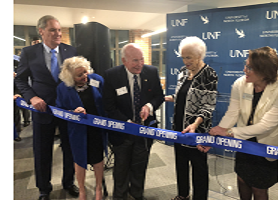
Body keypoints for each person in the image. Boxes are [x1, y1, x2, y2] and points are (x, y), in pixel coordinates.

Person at [14, 15, 79, 200]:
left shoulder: (70, 51)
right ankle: (44, 188)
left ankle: (68, 182)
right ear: (41, 31)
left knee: (69, 148)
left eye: (59, 30)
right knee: (42, 150)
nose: (58, 34)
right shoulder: (29, 52)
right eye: (52, 30)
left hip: (67, 110)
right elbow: (19, 78)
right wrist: (31, 97)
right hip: (42, 109)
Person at [206, 46, 278, 200]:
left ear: (264, 71)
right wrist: (216, 135)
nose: (245, 70)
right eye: (245, 65)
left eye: (250, 67)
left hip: (265, 146)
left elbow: (266, 126)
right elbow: (233, 112)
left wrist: (229, 133)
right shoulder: (240, 83)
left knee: (259, 188)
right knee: (242, 179)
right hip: (243, 143)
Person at [103, 43, 164, 200]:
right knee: (121, 167)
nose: (140, 64)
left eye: (142, 59)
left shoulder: (151, 72)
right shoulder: (111, 75)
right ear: (124, 60)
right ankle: (120, 196)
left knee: (140, 166)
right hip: (122, 131)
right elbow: (108, 106)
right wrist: (126, 122)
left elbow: (159, 96)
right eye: (135, 60)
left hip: (144, 131)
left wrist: (149, 106)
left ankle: (136, 194)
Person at [165, 36, 218, 200]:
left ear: (200, 55)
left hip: (197, 130)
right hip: (179, 128)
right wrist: (169, 98)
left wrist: (195, 124)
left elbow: (208, 106)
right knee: (180, 164)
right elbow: (184, 96)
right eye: (183, 57)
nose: (185, 61)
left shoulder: (209, 74)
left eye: (189, 57)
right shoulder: (182, 72)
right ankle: (183, 194)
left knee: (199, 167)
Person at [56, 56, 107, 200]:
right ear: (71, 77)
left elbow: (106, 101)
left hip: (96, 129)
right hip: (77, 131)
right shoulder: (63, 88)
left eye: (85, 72)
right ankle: (82, 191)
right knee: (79, 160)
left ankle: (98, 189)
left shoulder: (97, 80)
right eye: (80, 75)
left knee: (98, 159)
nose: (85, 76)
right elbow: (59, 111)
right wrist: (72, 112)